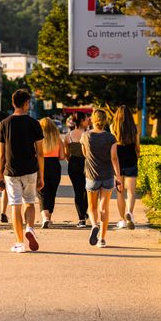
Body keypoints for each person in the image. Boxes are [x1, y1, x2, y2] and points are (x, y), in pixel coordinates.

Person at [0, 89, 44, 253]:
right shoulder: (34, 123)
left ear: (12, 103)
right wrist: (41, 176)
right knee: (30, 202)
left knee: (15, 205)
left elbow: (1, 154)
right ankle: (30, 228)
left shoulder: (4, 124)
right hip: (30, 170)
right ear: (26, 103)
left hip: (11, 171)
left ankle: (19, 243)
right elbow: (40, 153)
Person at [80, 109, 122, 248]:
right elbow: (114, 158)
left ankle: (94, 225)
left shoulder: (86, 136)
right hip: (108, 176)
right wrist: (118, 177)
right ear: (105, 121)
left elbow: (85, 154)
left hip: (92, 176)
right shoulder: (111, 138)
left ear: (92, 119)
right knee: (104, 208)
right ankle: (102, 239)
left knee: (92, 207)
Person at [111, 106, 140, 230]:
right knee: (131, 192)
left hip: (118, 163)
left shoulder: (113, 128)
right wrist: (137, 156)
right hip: (131, 161)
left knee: (120, 192)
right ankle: (130, 213)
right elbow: (137, 147)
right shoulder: (135, 129)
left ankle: (122, 220)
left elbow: (112, 147)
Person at [63, 112, 90, 228]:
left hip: (73, 164)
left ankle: (82, 218)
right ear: (82, 121)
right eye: (86, 119)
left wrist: (71, 161)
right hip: (87, 164)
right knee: (88, 190)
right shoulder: (89, 135)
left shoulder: (68, 136)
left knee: (78, 191)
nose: (88, 121)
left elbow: (66, 154)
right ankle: (84, 213)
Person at [38, 118, 65, 228]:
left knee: (42, 192)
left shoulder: (38, 139)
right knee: (52, 192)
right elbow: (62, 156)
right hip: (54, 165)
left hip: (41, 164)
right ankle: (48, 218)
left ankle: (45, 218)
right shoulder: (57, 139)